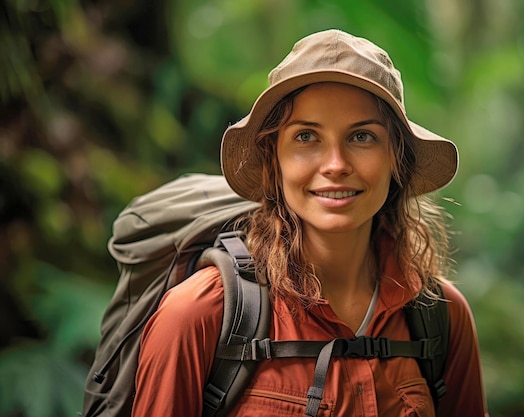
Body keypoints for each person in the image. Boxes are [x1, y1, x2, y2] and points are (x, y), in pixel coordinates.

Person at [131, 29, 489, 417]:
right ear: (274, 159)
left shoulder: (441, 317)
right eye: (306, 136)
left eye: (362, 136)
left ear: (395, 159)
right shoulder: (199, 315)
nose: (335, 165)